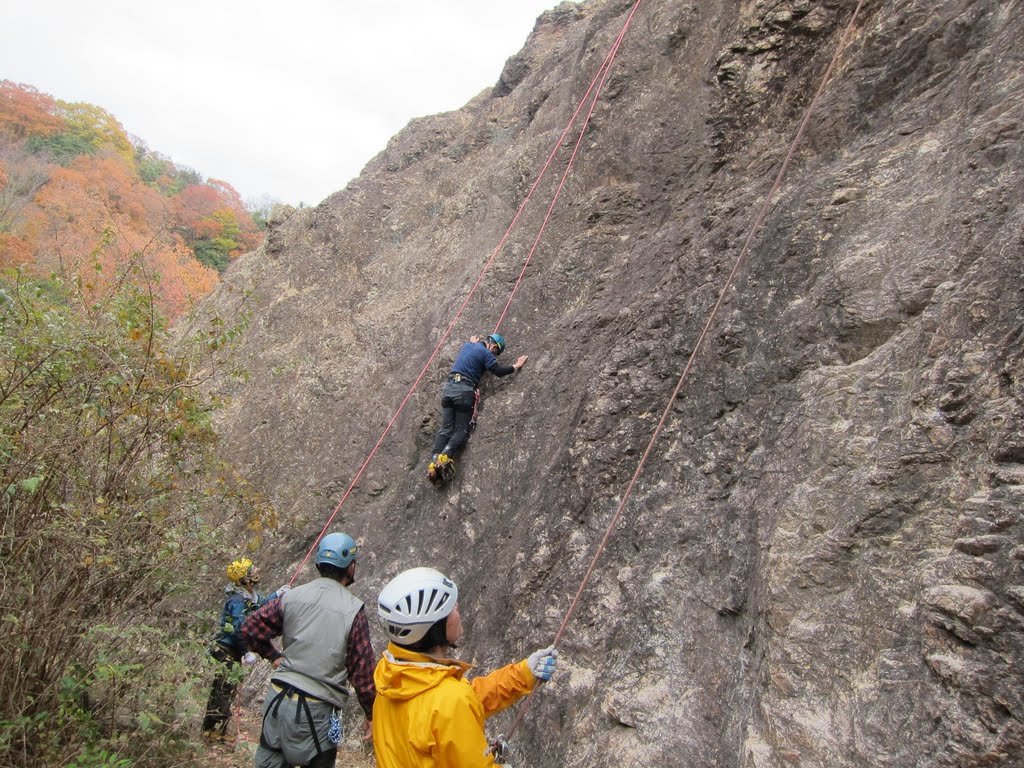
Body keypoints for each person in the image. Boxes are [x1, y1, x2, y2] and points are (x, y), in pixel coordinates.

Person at [372, 567, 558, 768]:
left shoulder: (391, 679)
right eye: (451, 607)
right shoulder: (449, 701)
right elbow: (452, 708)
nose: (457, 608)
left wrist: (522, 674)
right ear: (435, 627)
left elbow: (461, 703)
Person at [242, 532, 376, 768]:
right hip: (318, 710)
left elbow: (250, 628)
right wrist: (371, 715)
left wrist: (274, 657)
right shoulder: (354, 612)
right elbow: (362, 674)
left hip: (277, 698)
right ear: (351, 567)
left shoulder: (292, 596)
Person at [202, 558, 288, 742]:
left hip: (231, 648)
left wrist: (277, 594)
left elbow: (261, 605)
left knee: (224, 688)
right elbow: (237, 627)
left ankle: (212, 729)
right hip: (225, 648)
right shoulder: (237, 600)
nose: (256, 572)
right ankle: (215, 732)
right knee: (224, 688)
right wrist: (245, 651)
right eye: (251, 571)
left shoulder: (248, 596)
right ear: (244, 579)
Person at [428, 332, 528, 483]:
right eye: (496, 352)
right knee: (461, 429)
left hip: (449, 389)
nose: (494, 355)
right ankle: (445, 457)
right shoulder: (486, 353)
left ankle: (433, 462)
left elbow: (473, 347)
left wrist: (473, 342)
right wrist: (517, 365)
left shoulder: (468, 345)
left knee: (446, 428)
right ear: (493, 346)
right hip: (464, 390)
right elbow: (498, 372)